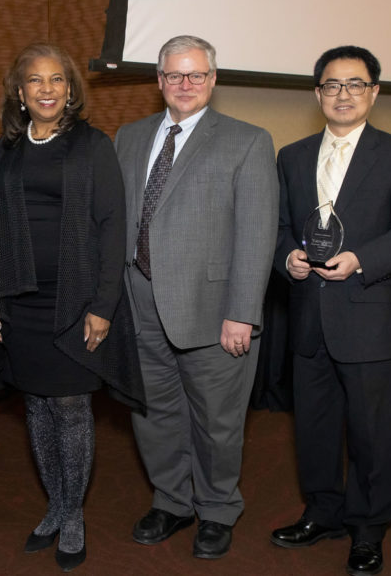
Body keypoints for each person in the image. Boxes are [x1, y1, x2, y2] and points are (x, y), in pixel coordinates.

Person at [0, 43, 145, 572]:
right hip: (22, 300)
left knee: (72, 406)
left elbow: (113, 226)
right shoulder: (6, 149)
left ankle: (72, 514)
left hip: (75, 299)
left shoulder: (93, 145)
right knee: (36, 404)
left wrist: (103, 306)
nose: (46, 89)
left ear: (71, 90)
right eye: (35, 80)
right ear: (20, 92)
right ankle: (55, 502)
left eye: (56, 80)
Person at [114, 35, 278, 559]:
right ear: (159, 81)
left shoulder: (248, 140)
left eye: (197, 75)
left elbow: (257, 235)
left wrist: (242, 314)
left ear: (213, 80)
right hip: (139, 302)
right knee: (153, 413)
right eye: (175, 75)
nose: (185, 85)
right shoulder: (129, 136)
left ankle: (216, 507)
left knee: (217, 419)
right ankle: (172, 501)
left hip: (214, 311)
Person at [269, 46, 391, 575]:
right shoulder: (291, 156)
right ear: (317, 94)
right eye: (333, 85)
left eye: (355, 84)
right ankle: (322, 512)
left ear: (374, 92)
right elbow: (276, 229)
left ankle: (368, 529)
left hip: (368, 313)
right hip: (308, 314)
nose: (343, 94)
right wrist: (285, 257)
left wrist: (362, 259)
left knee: (372, 432)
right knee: (313, 428)